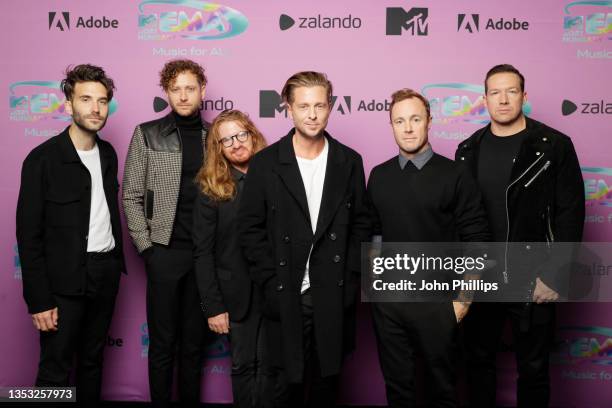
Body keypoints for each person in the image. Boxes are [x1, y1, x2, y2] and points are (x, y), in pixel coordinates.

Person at [238, 71, 370, 407]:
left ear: (330, 107)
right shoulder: (266, 163)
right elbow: (250, 229)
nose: (312, 114)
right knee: (284, 387)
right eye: (303, 106)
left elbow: (362, 225)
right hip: (285, 290)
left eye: (319, 105)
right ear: (288, 108)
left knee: (328, 385)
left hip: (332, 292)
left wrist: (350, 279)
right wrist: (270, 282)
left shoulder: (349, 160)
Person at [456, 64, 585, 407]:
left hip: (534, 277)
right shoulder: (467, 150)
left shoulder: (554, 146)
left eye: (511, 91)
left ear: (524, 97)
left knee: (534, 369)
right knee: (478, 365)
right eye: (495, 92)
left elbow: (570, 214)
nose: (503, 99)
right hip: (483, 278)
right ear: (484, 99)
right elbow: (460, 222)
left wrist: (555, 273)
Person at [367, 88, 491, 408]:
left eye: (415, 119)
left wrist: (463, 301)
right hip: (390, 304)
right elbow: (374, 235)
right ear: (391, 125)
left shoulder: (456, 174)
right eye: (399, 120)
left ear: (429, 122)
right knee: (398, 389)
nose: (407, 128)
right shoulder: (379, 176)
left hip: (439, 301)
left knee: (442, 389)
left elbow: (477, 238)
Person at [16, 64, 124, 406]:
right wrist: (39, 299)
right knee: (55, 368)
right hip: (63, 282)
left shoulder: (108, 154)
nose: (96, 108)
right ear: (68, 105)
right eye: (86, 99)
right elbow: (28, 236)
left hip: (105, 272)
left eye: (103, 101)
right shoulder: (42, 160)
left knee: (93, 362)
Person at [122, 59, 209, 408]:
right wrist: (147, 250)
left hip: (203, 256)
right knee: (162, 343)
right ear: (167, 93)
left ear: (203, 90)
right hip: (164, 253)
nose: (184, 95)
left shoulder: (215, 137)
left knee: (193, 345)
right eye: (176, 89)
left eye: (190, 88)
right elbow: (130, 194)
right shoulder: (148, 134)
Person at [193, 109, 269, 407]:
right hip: (235, 297)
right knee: (243, 365)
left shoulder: (275, 177)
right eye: (226, 140)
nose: (236, 144)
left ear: (252, 135)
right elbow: (202, 252)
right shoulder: (210, 189)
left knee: (272, 367)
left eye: (240, 135)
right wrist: (212, 307)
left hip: (273, 291)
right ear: (218, 149)